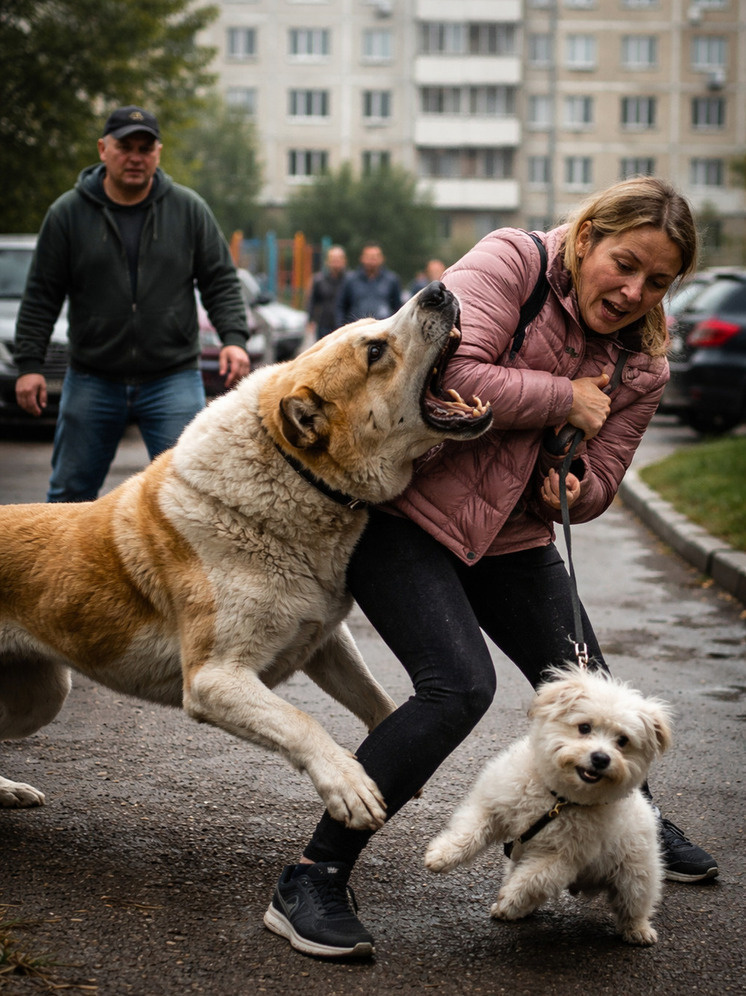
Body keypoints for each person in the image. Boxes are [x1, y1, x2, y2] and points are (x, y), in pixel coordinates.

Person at [262, 176, 719, 959]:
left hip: (514, 537)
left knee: (591, 686)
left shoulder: (644, 360)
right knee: (458, 687)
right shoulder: (512, 262)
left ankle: (628, 815)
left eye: (658, 281)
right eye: (625, 263)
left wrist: (578, 487)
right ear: (586, 240)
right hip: (405, 518)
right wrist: (563, 399)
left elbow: (606, 472)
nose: (635, 291)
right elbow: (448, 376)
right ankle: (313, 874)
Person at [14, 105, 250, 502]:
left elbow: (221, 281)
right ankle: (68, 568)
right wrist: (29, 365)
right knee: (71, 493)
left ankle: (178, 568)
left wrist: (233, 339)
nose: (136, 157)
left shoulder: (188, 209)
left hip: (172, 376)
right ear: (103, 149)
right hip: (93, 377)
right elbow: (41, 294)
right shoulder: (67, 214)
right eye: (126, 147)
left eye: (146, 147)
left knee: (192, 493)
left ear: (158, 153)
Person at [336, 242, 401, 326]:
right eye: (369, 257)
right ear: (362, 258)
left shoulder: (392, 280)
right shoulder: (350, 280)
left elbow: (397, 308)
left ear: (382, 258)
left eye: (375, 257)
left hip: (383, 330)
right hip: (356, 330)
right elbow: (341, 307)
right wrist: (341, 327)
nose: (372, 260)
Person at [306, 245, 348, 341]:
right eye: (333, 259)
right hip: (324, 324)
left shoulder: (350, 280)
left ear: (344, 261)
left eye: (338, 259)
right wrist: (310, 320)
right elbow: (312, 301)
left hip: (346, 325)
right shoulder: (318, 280)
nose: (336, 263)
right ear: (327, 261)